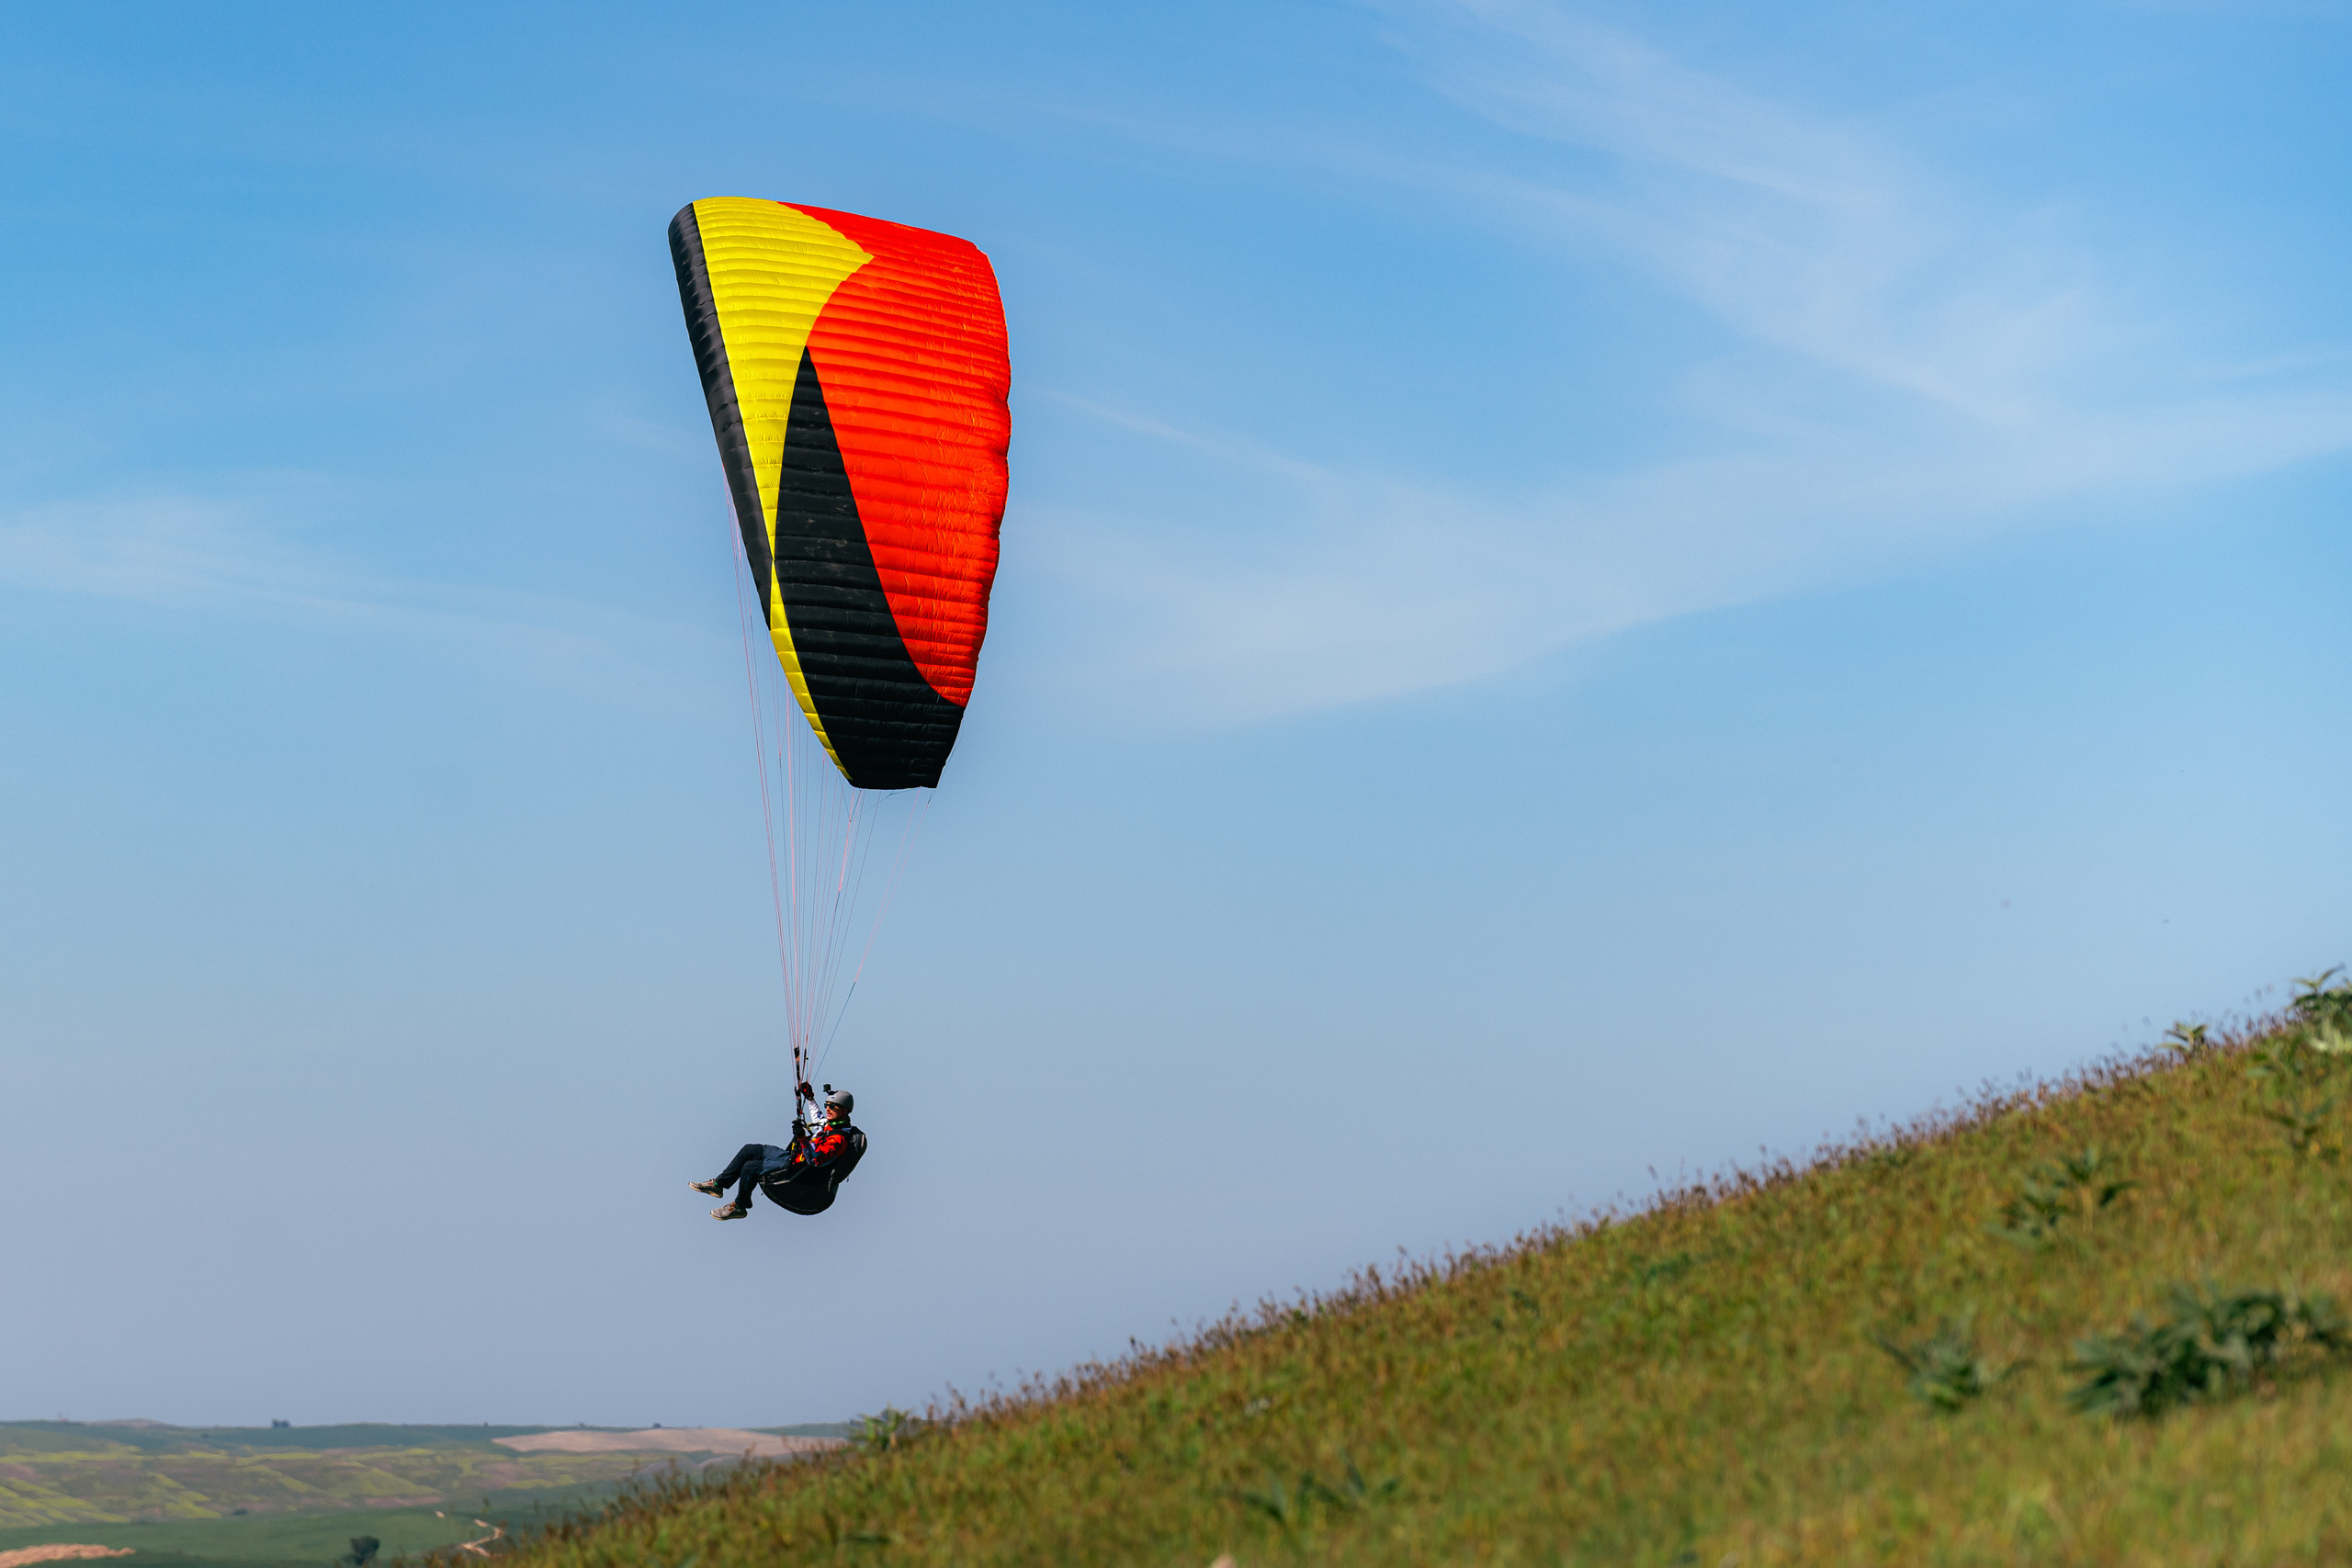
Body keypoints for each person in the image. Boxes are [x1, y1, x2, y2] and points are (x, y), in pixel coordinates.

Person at [691, 1088, 857, 1221]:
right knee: (750, 1149)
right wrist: (811, 1099)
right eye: (827, 1104)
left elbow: (815, 1160)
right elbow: (819, 1118)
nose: (828, 1108)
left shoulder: (839, 1139)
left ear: (844, 1110)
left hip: (795, 1167)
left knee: (750, 1168)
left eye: (832, 1106)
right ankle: (718, 1185)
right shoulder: (833, 1125)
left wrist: (802, 1138)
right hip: (791, 1156)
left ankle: (740, 1207)